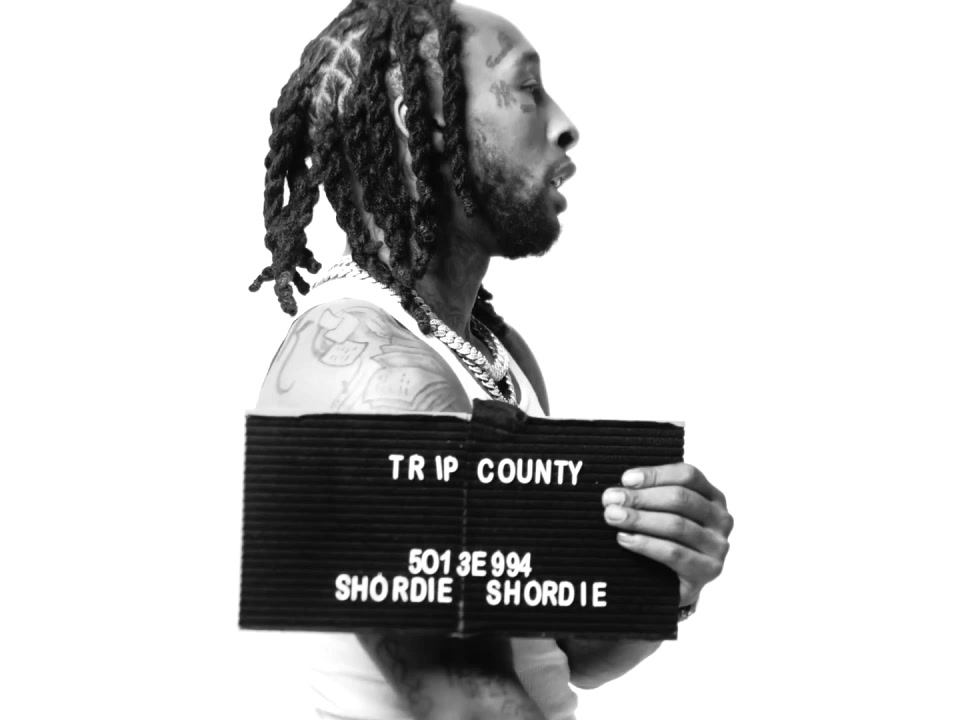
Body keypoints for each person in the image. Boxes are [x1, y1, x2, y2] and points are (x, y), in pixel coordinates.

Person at [248, 1, 734, 718]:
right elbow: (466, 704)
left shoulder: (492, 353)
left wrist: (667, 574)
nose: (565, 124)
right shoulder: (371, 375)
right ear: (420, 125)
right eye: (528, 89)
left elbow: (566, 656)